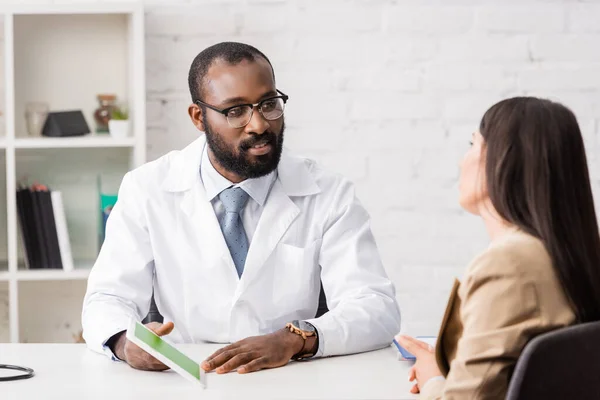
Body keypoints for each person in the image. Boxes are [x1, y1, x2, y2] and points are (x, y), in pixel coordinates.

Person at [82, 42, 401, 374]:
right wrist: (125, 342)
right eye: (236, 111)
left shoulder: (330, 193)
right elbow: (107, 298)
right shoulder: (146, 189)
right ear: (198, 117)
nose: (259, 125)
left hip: (291, 377)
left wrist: (296, 339)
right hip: (189, 378)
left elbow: (376, 308)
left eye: (269, 104)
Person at [398, 97, 600, 399]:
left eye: (472, 144)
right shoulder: (571, 257)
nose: (461, 161)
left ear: (504, 159)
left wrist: (432, 380)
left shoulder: (509, 265)